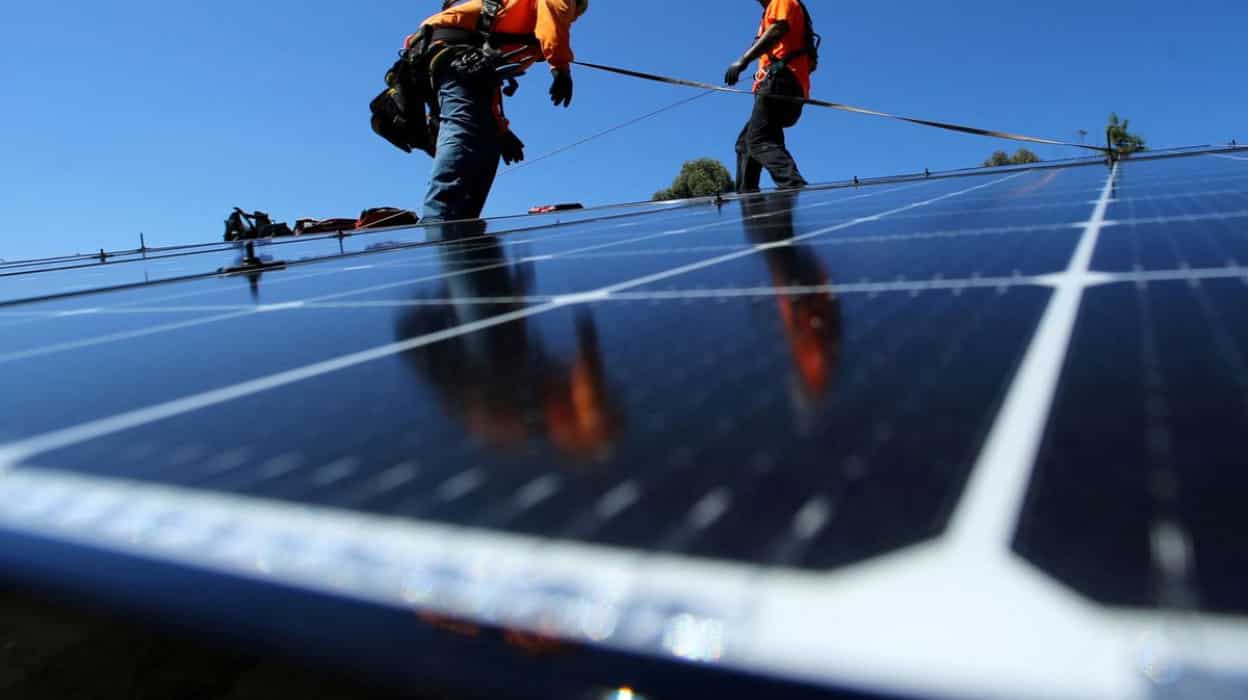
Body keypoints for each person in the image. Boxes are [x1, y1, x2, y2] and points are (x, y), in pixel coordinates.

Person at [410, 0, 589, 226]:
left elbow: (486, 86)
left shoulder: (506, 31)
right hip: (451, 50)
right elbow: (554, 17)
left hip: (453, 60)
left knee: (486, 141)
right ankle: (438, 222)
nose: (571, 17)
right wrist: (560, 67)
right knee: (464, 132)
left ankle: (461, 223)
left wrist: (501, 131)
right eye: (573, 14)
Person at [724, 0, 817, 193]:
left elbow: (777, 29)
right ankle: (747, 196)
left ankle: (794, 186)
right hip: (786, 86)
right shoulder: (771, 11)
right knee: (745, 145)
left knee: (759, 140)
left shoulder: (781, 1)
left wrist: (743, 61)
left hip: (780, 82)